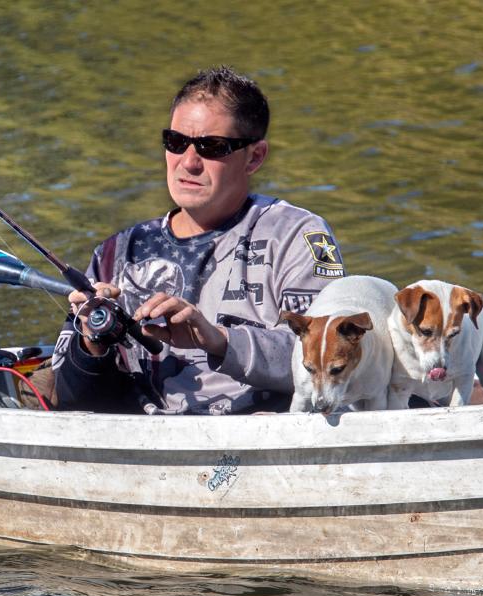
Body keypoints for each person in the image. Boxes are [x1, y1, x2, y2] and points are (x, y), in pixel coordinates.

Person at [51, 66, 344, 414]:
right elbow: (72, 400)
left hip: (259, 441)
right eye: (175, 143)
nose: (188, 163)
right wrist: (92, 341)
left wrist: (218, 340)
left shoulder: (301, 235)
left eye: (212, 147)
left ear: (255, 157)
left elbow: (333, 358)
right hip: (144, 442)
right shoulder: (115, 253)